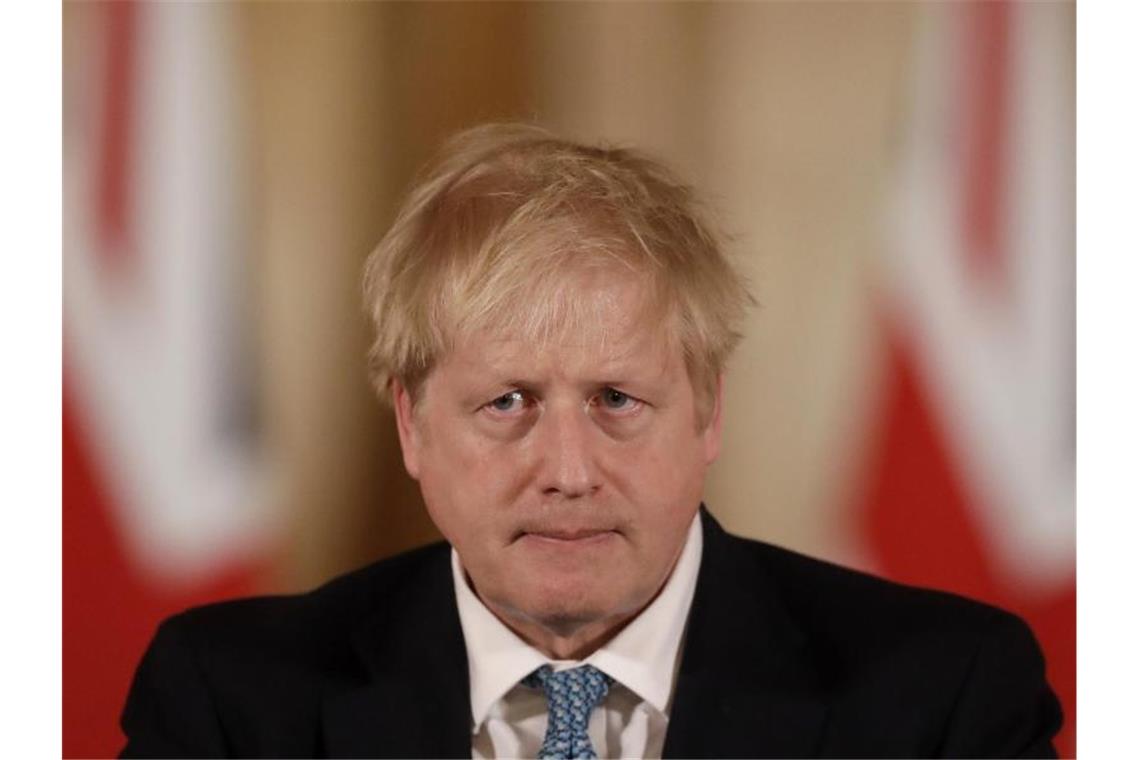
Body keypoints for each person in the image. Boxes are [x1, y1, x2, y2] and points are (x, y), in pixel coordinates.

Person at [120, 124, 1062, 759]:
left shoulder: (946, 703)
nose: (567, 472)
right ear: (411, 425)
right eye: (507, 404)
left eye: (616, 399)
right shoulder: (229, 709)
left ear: (707, 414)